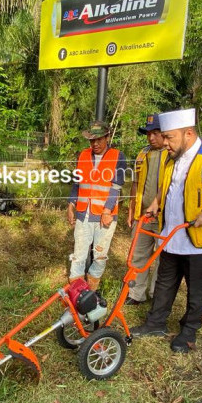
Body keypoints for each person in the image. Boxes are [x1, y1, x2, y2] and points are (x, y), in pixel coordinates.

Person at [130, 108, 202, 352]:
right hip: (171, 236)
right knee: (165, 282)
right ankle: (156, 323)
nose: (164, 143)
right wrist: (155, 204)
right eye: (163, 137)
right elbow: (168, 188)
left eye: (169, 137)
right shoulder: (170, 157)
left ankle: (189, 332)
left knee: (197, 289)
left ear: (188, 133)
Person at [67, 121, 127, 290]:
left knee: (100, 256)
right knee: (78, 255)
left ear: (107, 137)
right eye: (92, 140)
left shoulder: (118, 156)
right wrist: (71, 204)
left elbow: (116, 186)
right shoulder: (83, 155)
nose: (95, 144)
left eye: (99, 139)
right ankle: (77, 293)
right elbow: (77, 183)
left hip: (105, 216)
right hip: (83, 213)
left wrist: (107, 210)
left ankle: (91, 291)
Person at [125, 114, 166, 305]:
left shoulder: (172, 155)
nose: (151, 138)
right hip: (142, 216)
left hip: (164, 217)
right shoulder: (143, 154)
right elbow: (134, 183)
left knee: (162, 258)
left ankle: (156, 294)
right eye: (149, 133)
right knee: (138, 254)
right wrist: (132, 209)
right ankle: (135, 294)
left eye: (156, 133)